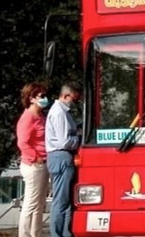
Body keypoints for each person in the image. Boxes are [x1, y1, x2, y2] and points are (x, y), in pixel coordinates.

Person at [45, 83, 81, 237]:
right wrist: (79, 139)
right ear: (66, 96)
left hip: (60, 157)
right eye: (74, 98)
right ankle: (57, 233)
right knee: (60, 200)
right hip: (61, 156)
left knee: (65, 200)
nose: (75, 102)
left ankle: (64, 232)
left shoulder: (61, 112)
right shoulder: (59, 113)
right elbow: (64, 141)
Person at [16, 82, 50, 237]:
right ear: (31, 98)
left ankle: (35, 234)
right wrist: (36, 158)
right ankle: (24, 234)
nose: (45, 99)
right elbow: (22, 142)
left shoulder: (40, 116)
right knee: (31, 204)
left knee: (39, 204)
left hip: (42, 163)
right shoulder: (28, 118)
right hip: (34, 165)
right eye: (41, 96)